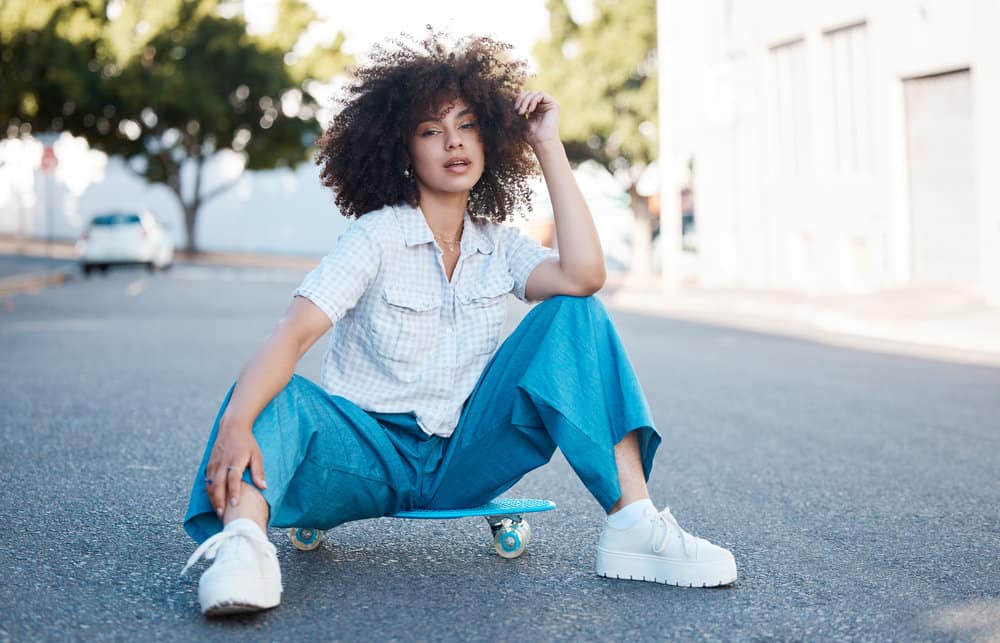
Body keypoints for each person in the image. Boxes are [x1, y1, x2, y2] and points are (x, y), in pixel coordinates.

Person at [180, 32, 737, 617]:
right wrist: (238, 422)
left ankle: (634, 525)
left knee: (575, 312)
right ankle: (242, 546)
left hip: (464, 458)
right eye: (430, 130)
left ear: (490, 139)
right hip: (366, 457)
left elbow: (583, 275)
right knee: (276, 396)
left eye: (467, 125)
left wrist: (547, 144)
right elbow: (291, 334)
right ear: (404, 150)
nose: (453, 142)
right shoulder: (377, 236)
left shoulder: (499, 247)